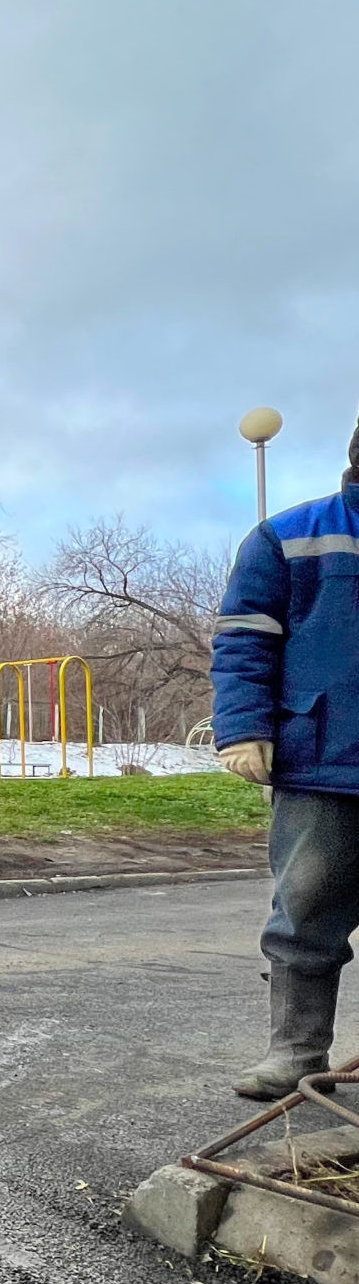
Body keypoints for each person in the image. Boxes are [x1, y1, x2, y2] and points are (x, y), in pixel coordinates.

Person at [211, 432, 359, 1101]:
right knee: (306, 911)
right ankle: (297, 1054)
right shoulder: (290, 537)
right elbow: (244, 640)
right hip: (321, 761)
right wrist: (242, 727)